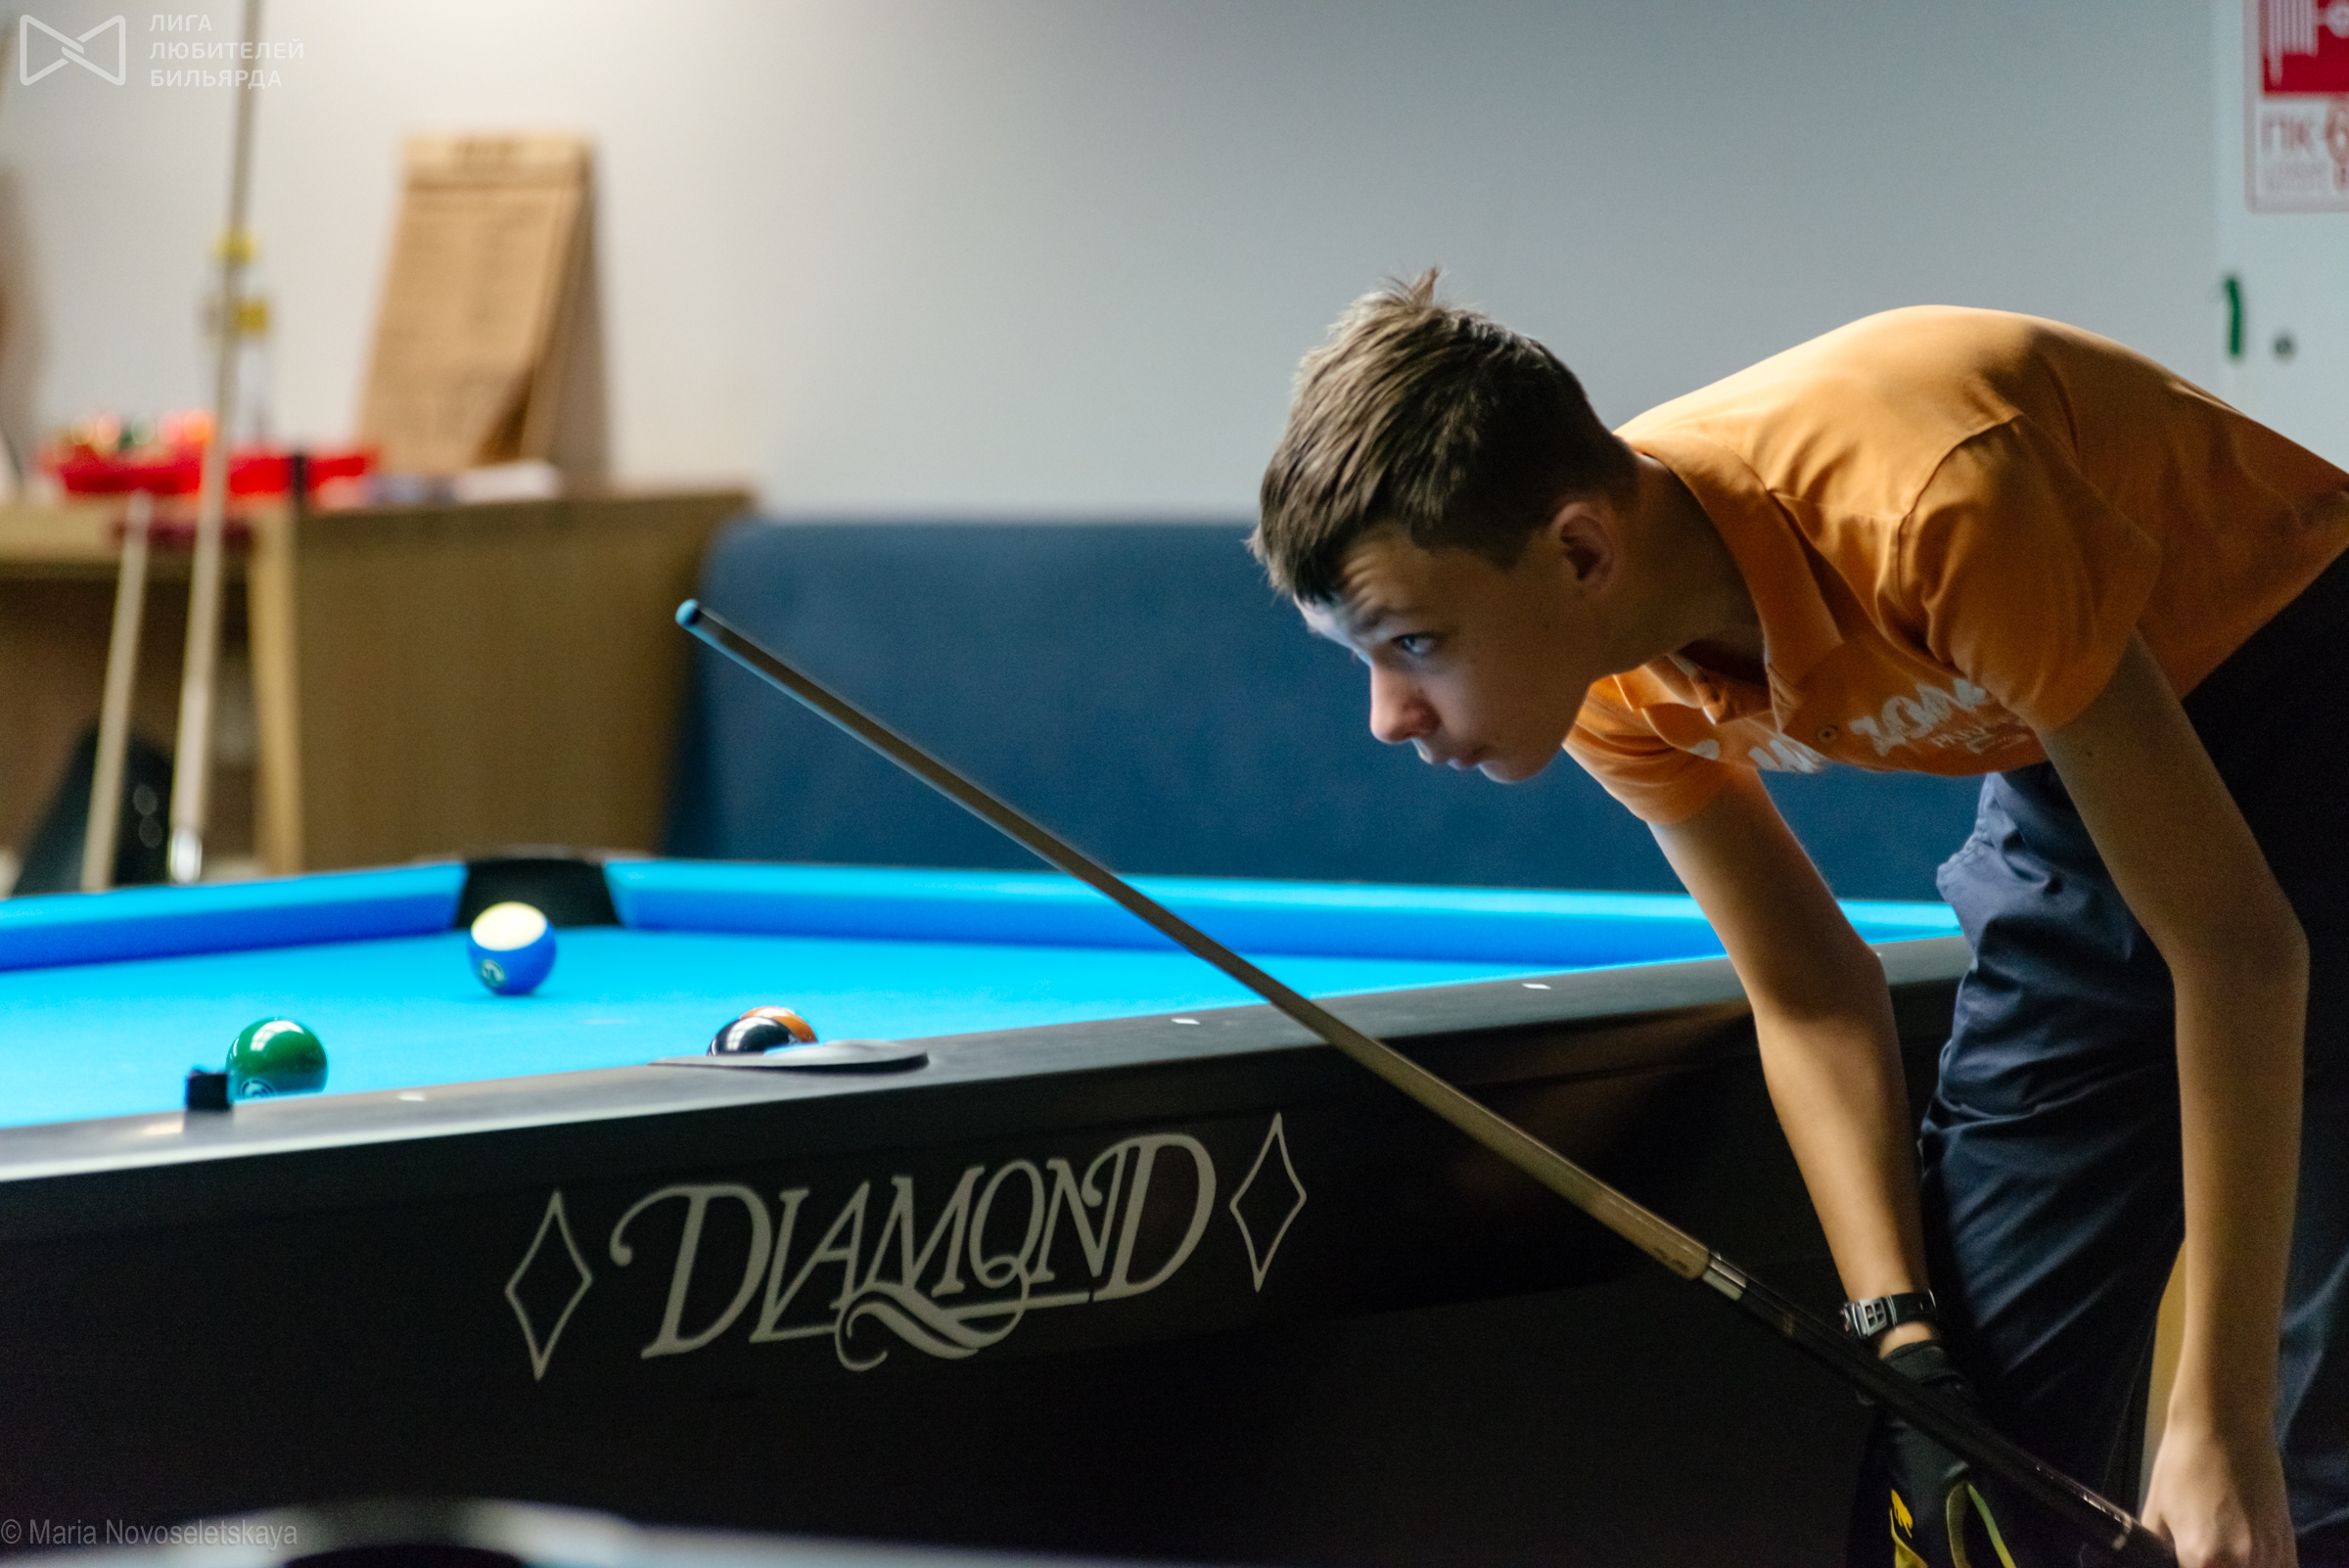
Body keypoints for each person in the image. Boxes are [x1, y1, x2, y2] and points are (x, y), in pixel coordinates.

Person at [1251, 274, 2349, 1568]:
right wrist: (1904, 1339)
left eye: (1413, 643)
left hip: (2310, 669)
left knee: (2306, 1460)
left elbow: (2237, 950)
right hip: (2078, 754)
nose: (1387, 718)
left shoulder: (1931, 503)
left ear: (1581, 554)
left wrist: (2218, 1419)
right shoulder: (1605, 674)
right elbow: (1815, 990)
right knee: (1969, 1450)